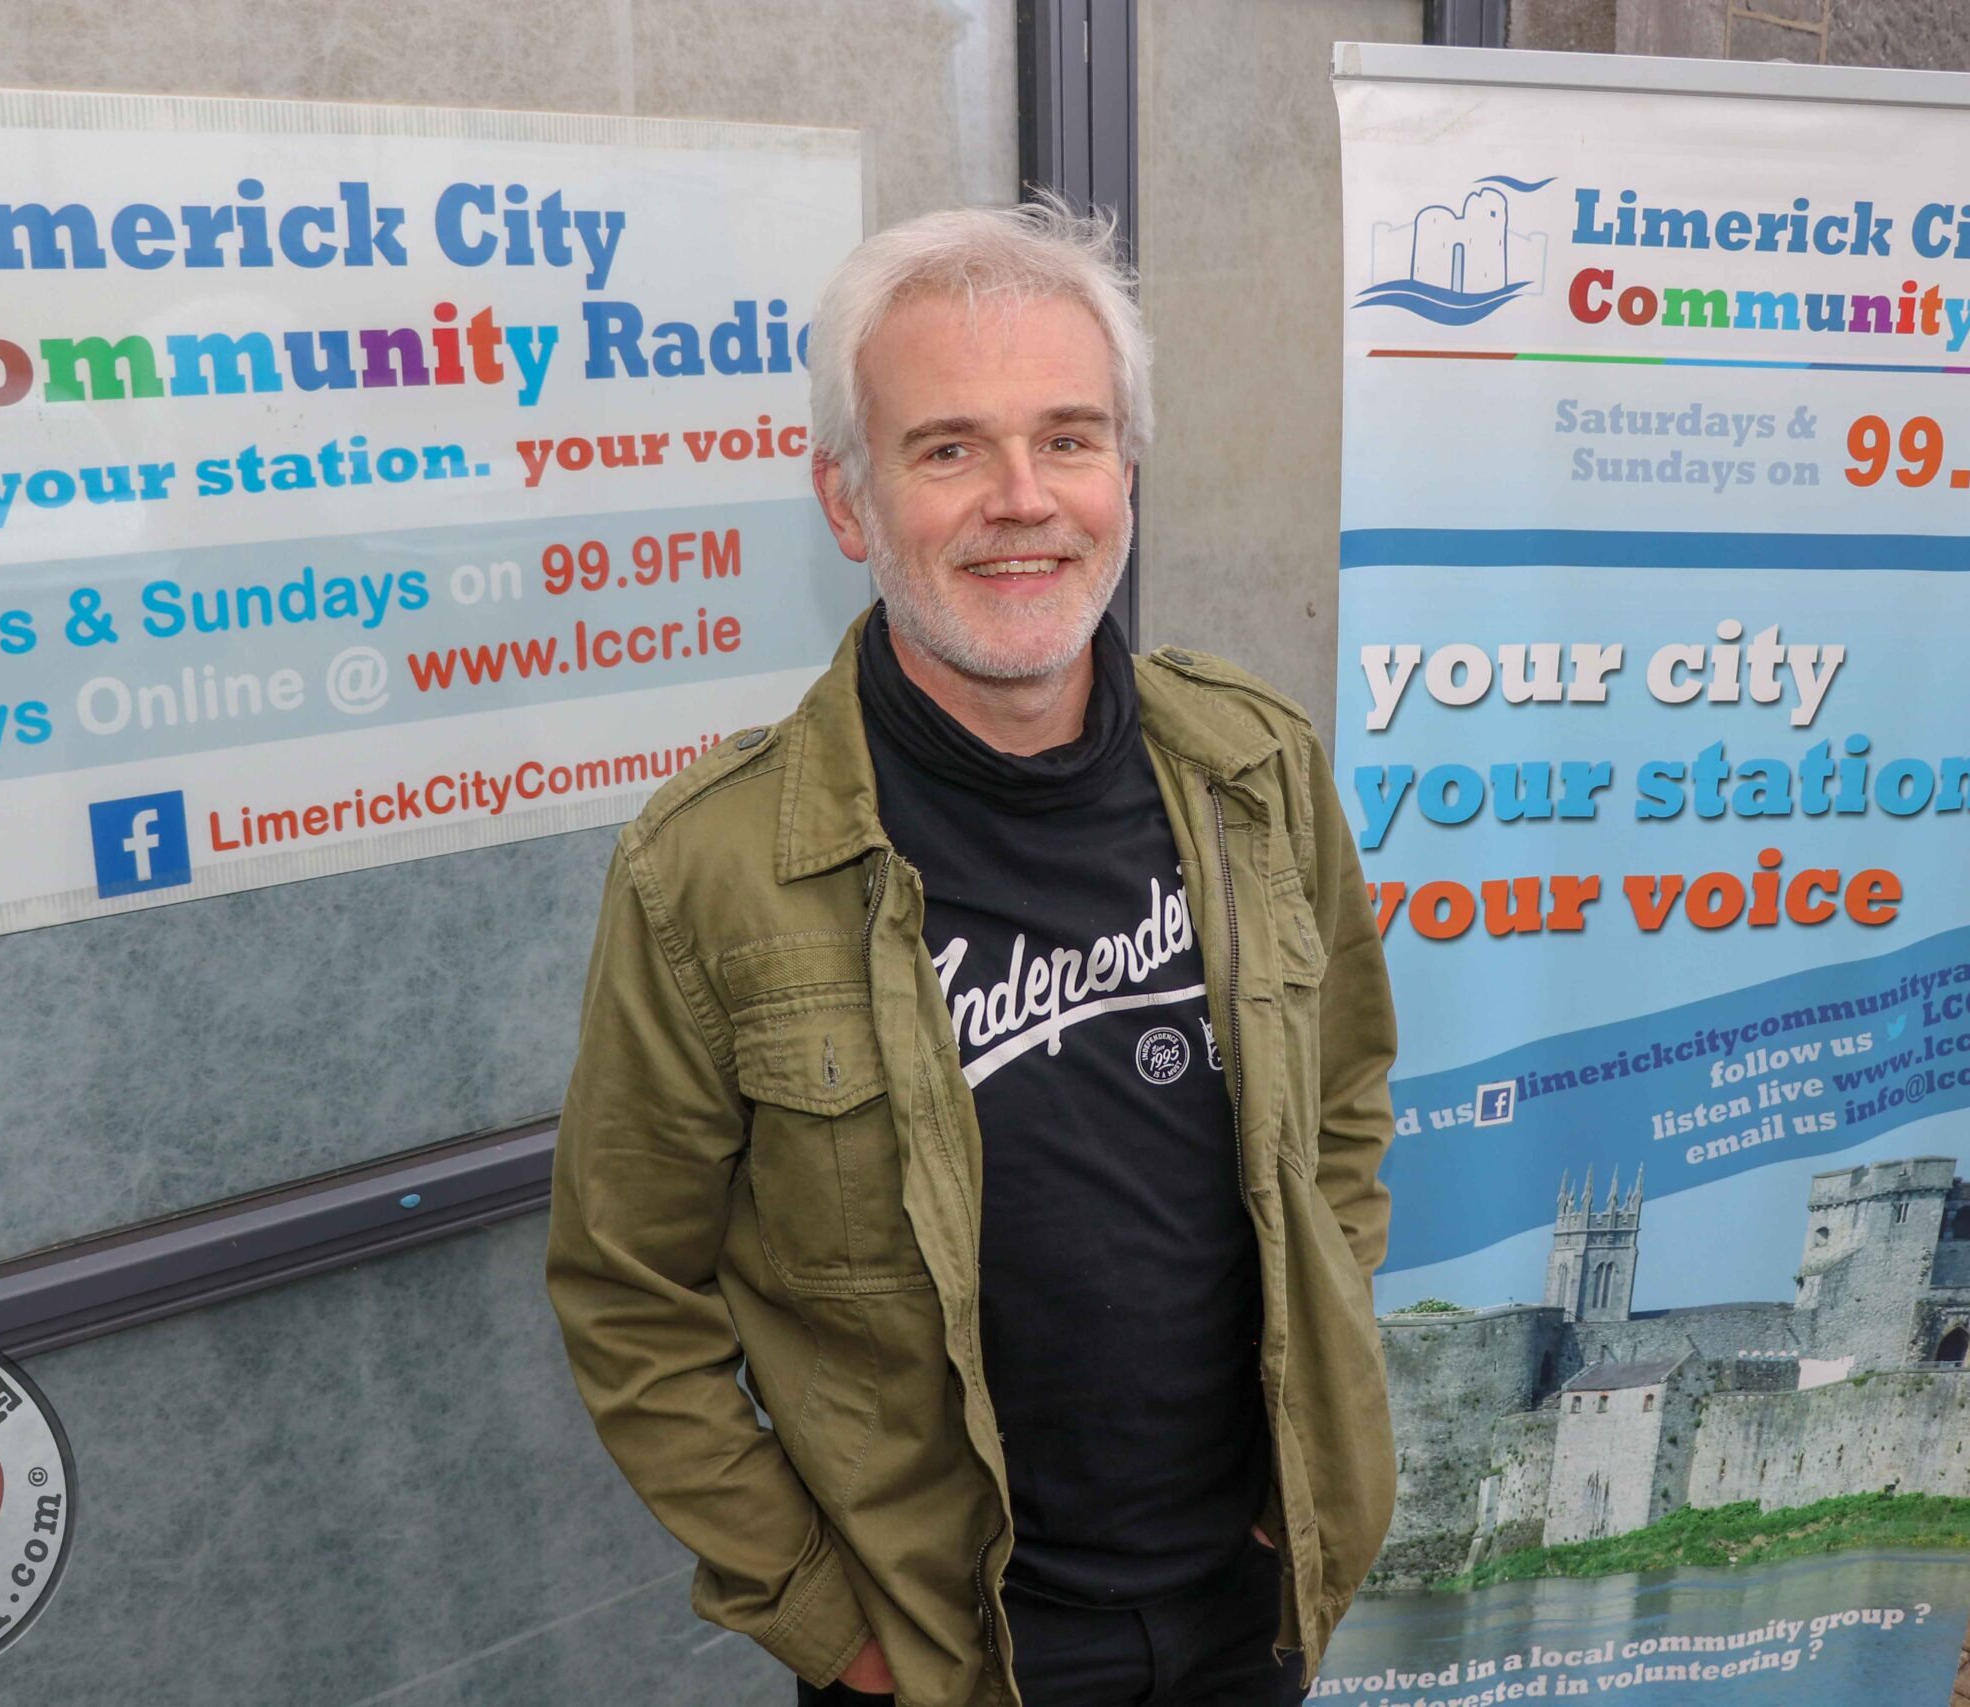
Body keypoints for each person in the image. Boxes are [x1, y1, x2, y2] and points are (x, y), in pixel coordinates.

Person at [545, 194, 1399, 1707]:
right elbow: (629, 1295)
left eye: (1069, 438)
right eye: (949, 449)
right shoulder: (713, 871)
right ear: (849, 503)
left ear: (1124, 474)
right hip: (951, 1657)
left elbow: (1338, 1126)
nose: (1024, 497)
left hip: (1248, 1607)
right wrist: (831, 1624)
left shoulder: (1257, 772)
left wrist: (1299, 1469)